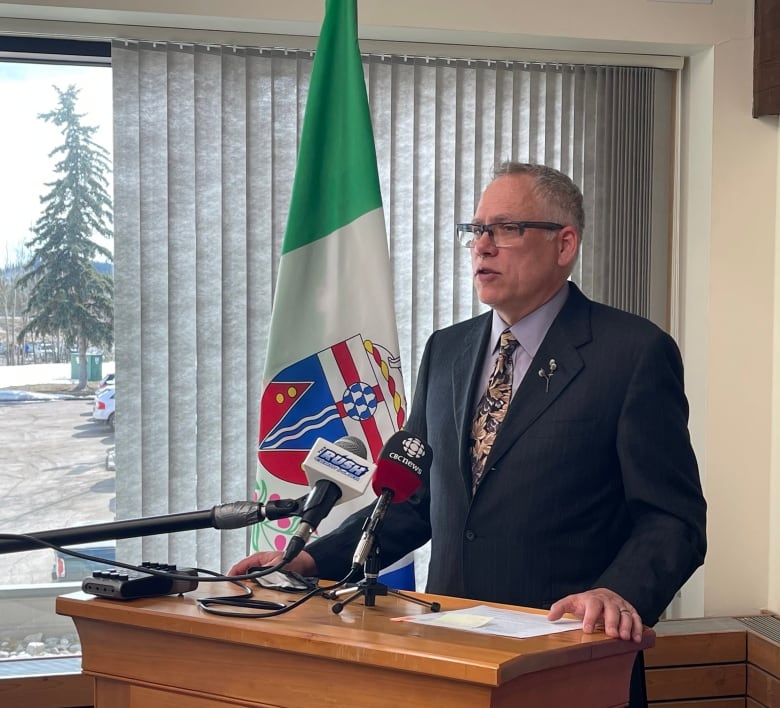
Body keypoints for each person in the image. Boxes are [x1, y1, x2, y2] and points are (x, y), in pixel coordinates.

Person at [231, 162, 707, 707]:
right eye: (476, 230)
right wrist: (308, 561)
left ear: (564, 243)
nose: (483, 246)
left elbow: (673, 518)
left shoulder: (632, 353)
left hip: (569, 661)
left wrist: (618, 593)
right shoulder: (447, 351)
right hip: (451, 659)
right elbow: (410, 499)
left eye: (505, 229)